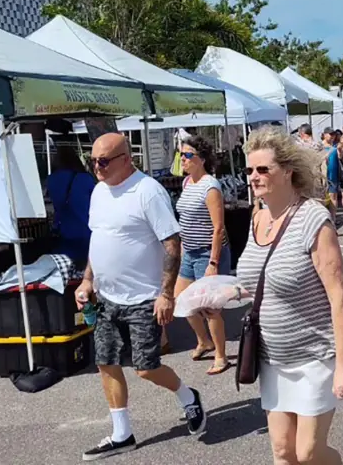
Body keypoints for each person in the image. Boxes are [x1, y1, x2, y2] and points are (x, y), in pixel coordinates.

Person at [237, 127, 343, 465]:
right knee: (282, 451)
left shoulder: (313, 219)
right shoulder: (257, 218)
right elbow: (257, 282)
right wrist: (222, 294)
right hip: (272, 356)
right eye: (250, 170)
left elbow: (339, 296)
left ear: (288, 171)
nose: (254, 177)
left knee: (308, 453)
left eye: (263, 169)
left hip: (314, 355)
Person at [75, 133, 205, 461]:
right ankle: (122, 434)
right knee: (106, 363)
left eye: (103, 161)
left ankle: (188, 396)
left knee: (146, 368)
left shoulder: (147, 191)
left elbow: (172, 243)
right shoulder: (98, 191)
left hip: (144, 297)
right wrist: (87, 280)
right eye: (92, 161)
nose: (97, 167)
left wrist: (166, 294)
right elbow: (99, 239)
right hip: (107, 298)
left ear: (126, 159)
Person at [173, 135, 233, 374]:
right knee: (181, 301)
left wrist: (213, 262)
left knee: (210, 308)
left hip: (208, 252)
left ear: (202, 159)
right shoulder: (187, 183)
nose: (183, 160)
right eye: (182, 155)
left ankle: (221, 355)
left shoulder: (211, 187)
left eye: (188, 155)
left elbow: (218, 227)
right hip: (189, 251)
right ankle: (203, 340)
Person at [45, 146, 95, 265]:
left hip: (62, 230)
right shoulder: (85, 178)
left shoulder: (51, 179)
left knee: (67, 267)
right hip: (85, 229)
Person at [322, 128, 340, 219]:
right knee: (324, 198)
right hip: (323, 176)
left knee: (333, 197)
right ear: (325, 135)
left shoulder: (335, 147)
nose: (332, 136)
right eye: (330, 134)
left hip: (334, 176)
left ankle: (333, 218)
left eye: (333, 134)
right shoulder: (320, 147)